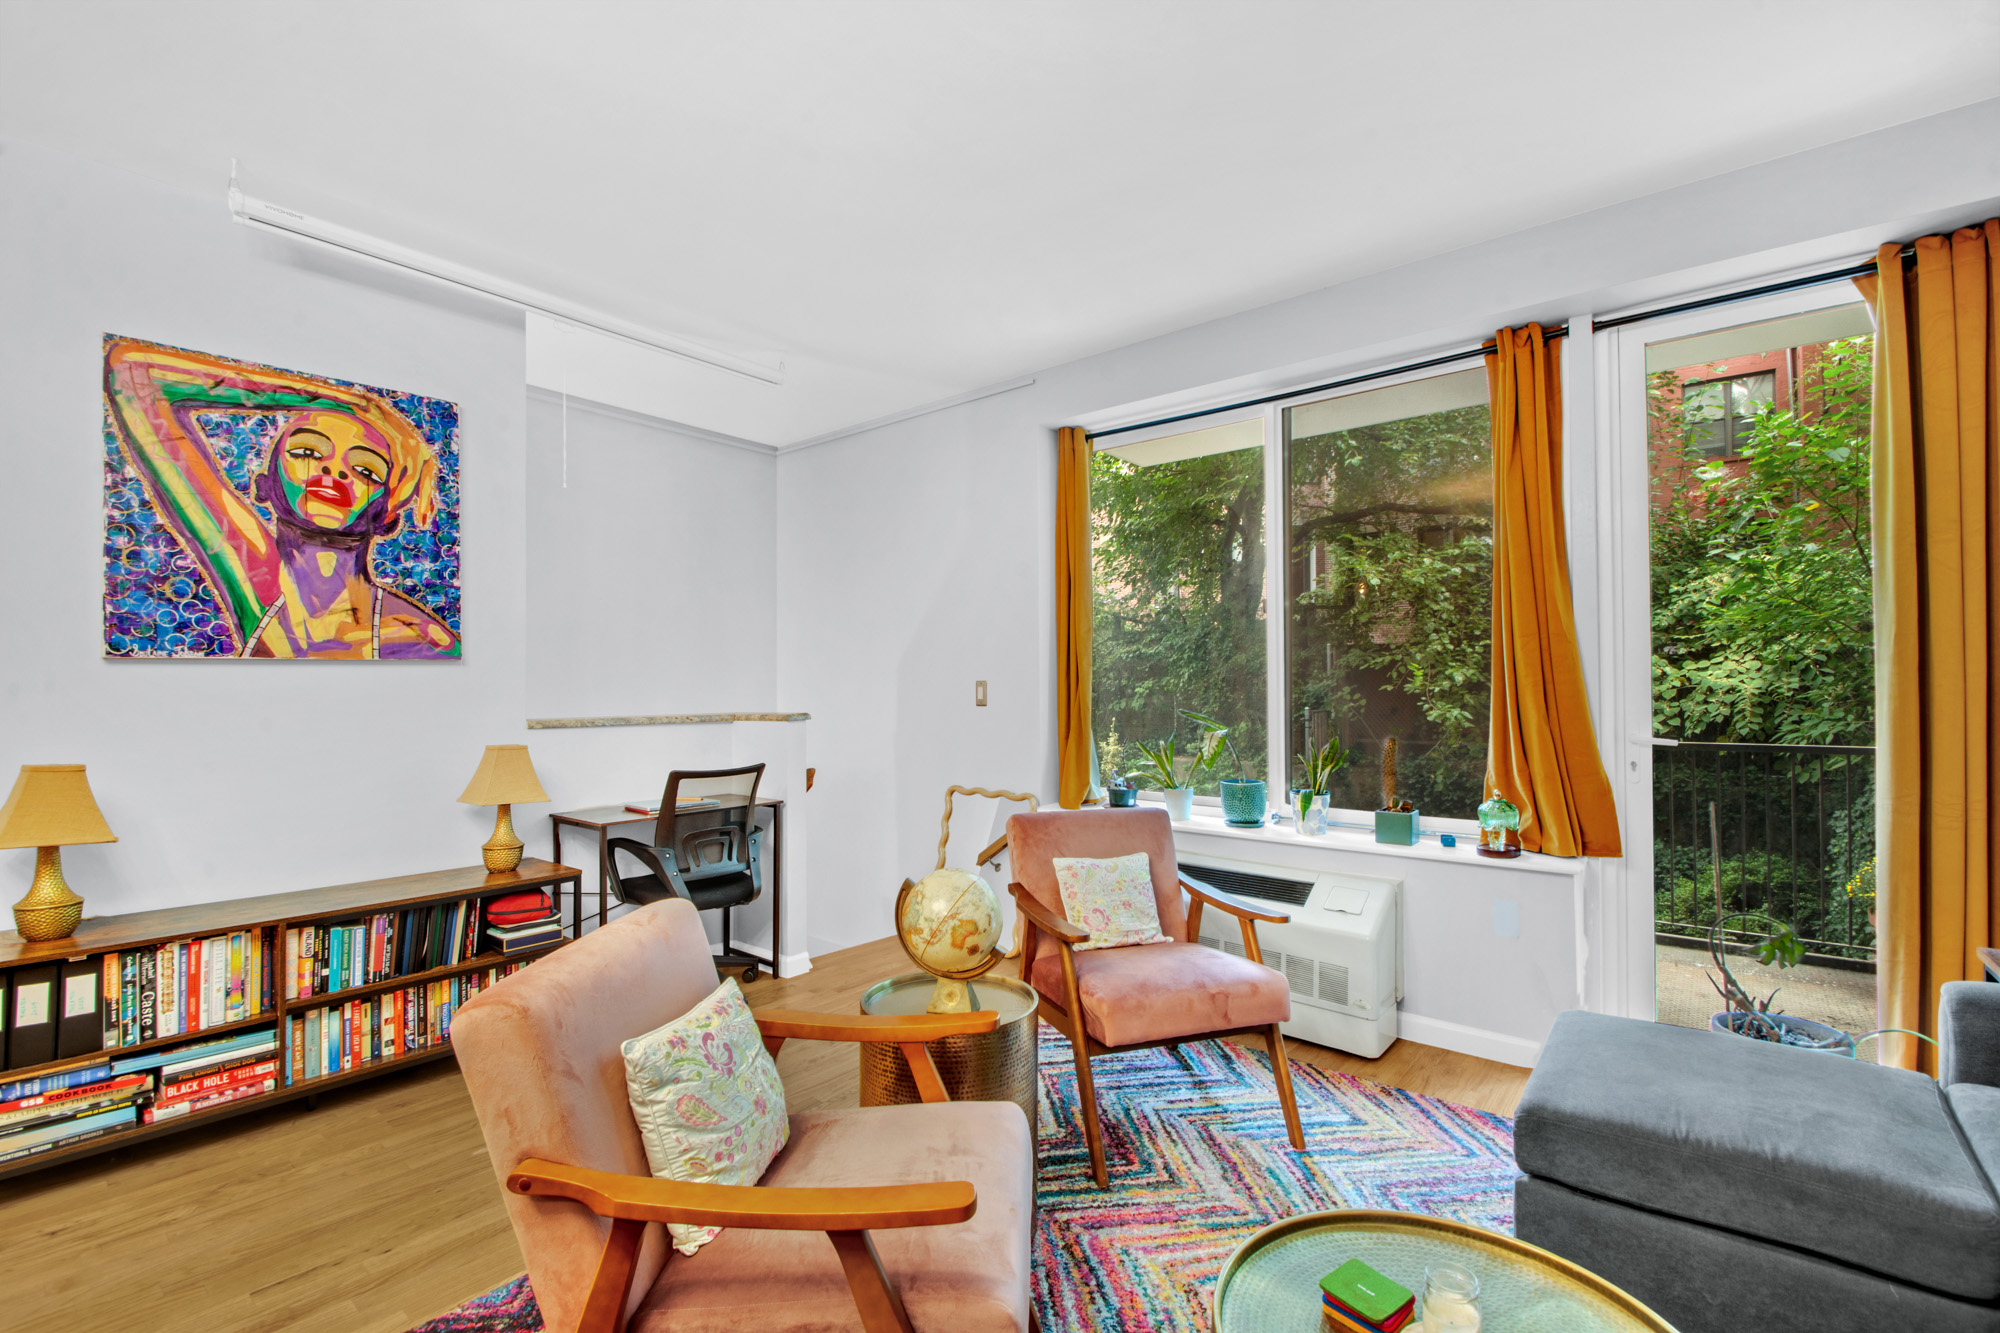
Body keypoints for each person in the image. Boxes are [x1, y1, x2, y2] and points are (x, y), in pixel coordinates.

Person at [103, 337, 458, 659]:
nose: (333, 472)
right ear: (265, 485)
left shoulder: (418, 640)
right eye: (307, 452)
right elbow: (134, 373)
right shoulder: (258, 581)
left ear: (386, 513)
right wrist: (345, 399)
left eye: (366, 471)